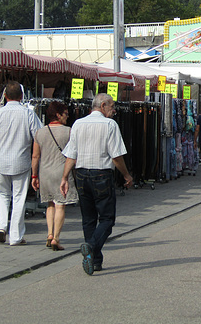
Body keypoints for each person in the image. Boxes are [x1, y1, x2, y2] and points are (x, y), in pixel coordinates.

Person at [60, 93, 133, 275]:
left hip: (82, 175)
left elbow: (72, 154)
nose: (114, 110)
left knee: (89, 219)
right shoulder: (110, 125)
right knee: (107, 219)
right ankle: (91, 247)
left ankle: (95, 261)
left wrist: (65, 177)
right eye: (112, 106)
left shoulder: (78, 124)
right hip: (101, 174)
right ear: (102, 105)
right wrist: (126, 175)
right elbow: (116, 155)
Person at [0, 81, 43, 246]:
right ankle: (16, 236)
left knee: (2, 194)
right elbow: (38, 136)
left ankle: (1, 226)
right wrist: (36, 159)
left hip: (1, 161)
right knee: (18, 197)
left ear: (5, 96)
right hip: (21, 161)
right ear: (22, 96)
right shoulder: (28, 114)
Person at [31, 101, 77, 251]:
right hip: (61, 171)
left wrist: (34, 175)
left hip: (45, 172)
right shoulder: (69, 131)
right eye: (65, 113)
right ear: (58, 114)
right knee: (60, 205)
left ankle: (49, 234)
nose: (67, 116)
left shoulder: (40, 132)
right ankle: (56, 238)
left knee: (50, 204)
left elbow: (35, 156)